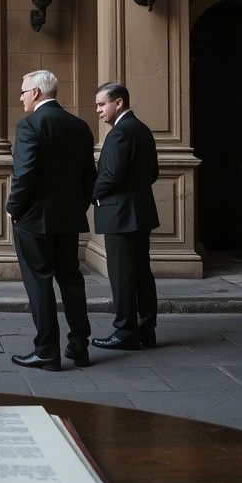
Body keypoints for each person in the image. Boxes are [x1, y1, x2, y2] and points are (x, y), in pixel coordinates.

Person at [6, 70, 97, 371]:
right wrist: (77, 208)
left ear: (35, 93)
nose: (20, 97)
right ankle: (79, 347)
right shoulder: (80, 126)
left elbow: (24, 175)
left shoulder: (30, 124)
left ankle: (46, 351)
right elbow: (89, 178)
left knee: (39, 283)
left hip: (33, 219)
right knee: (71, 280)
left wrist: (12, 208)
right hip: (69, 218)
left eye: (22, 91)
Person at [91, 82, 160, 351]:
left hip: (119, 215)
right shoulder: (141, 129)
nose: (98, 110)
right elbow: (152, 173)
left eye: (101, 104)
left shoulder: (121, 132)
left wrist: (89, 194)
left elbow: (111, 175)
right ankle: (146, 330)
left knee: (121, 275)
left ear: (118, 103)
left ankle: (124, 333)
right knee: (142, 273)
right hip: (140, 213)